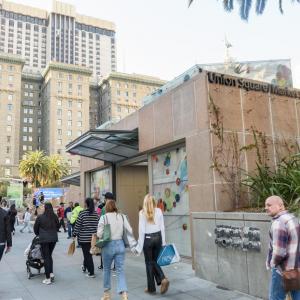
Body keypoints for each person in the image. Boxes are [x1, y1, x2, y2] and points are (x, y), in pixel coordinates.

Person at [265, 195, 300, 300]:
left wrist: (272, 265)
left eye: (269, 205)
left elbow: (279, 252)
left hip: (282, 270)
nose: (266, 208)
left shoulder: (279, 222)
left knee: (275, 298)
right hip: (296, 269)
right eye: (265, 205)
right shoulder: (293, 218)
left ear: (280, 206)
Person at [97, 200, 132, 300]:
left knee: (106, 270)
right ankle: (124, 293)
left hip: (108, 245)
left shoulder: (104, 218)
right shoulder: (121, 216)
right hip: (120, 244)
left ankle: (107, 294)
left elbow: (99, 234)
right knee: (120, 270)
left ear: (106, 208)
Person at [134, 194, 169, 295]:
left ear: (145, 202)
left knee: (149, 263)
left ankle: (156, 283)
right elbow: (162, 227)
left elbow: (141, 231)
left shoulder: (142, 213)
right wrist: (163, 242)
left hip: (148, 239)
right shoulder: (158, 211)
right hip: (158, 237)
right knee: (154, 261)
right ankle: (160, 281)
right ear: (154, 202)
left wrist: (139, 247)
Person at [34, 202, 59, 285]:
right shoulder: (54, 216)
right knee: (49, 256)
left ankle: (48, 278)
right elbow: (58, 226)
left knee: (46, 257)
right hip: (53, 239)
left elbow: (35, 229)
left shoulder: (40, 217)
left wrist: (39, 234)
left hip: (44, 239)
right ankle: (51, 273)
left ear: (45, 208)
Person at [73, 198, 99, 278]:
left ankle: (91, 272)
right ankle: (84, 267)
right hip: (93, 238)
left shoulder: (82, 213)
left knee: (87, 255)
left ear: (86, 204)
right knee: (88, 254)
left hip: (84, 238)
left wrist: (74, 234)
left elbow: (78, 225)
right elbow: (98, 225)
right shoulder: (95, 214)